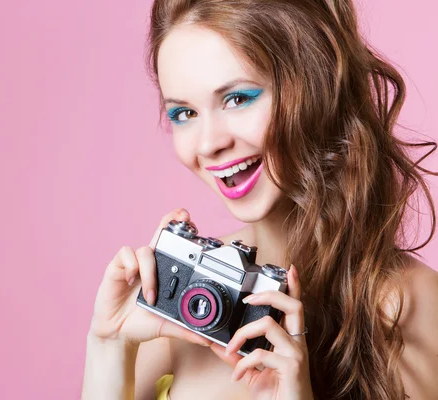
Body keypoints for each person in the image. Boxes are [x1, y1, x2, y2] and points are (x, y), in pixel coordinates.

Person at [82, 0, 438, 399]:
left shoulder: (409, 305)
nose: (208, 143)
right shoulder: (183, 306)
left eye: (237, 99)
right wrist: (108, 346)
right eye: (184, 113)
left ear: (313, 89)